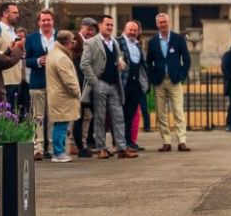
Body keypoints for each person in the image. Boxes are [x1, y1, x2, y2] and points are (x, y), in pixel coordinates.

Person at [81, 14, 136, 159]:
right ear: (100, 25)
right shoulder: (91, 43)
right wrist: (94, 82)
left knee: (118, 117)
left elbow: (118, 58)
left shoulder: (114, 43)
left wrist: (121, 63)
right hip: (100, 83)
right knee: (99, 117)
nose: (110, 27)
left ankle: (121, 148)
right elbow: (84, 64)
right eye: (107, 25)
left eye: (112, 25)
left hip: (114, 85)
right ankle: (101, 148)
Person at [146, 12, 191, 152]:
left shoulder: (178, 39)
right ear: (157, 24)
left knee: (178, 111)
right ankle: (166, 141)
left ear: (169, 22)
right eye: (160, 22)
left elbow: (187, 60)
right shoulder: (152, 42)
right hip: (159, 82)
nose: (162, 24)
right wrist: (152, 78)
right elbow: (148, 62)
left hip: (174, 81)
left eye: (164, 22)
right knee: (161, 113)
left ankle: (181, 141)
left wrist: (181, 76)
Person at [44, 31, 82, 163]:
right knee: (61, 125)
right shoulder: (61, 57)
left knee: (60, 124)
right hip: (63, 97)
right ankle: (58, 152)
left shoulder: (54, 54)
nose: (74, 43)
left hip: (58, 95)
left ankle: (58, 151)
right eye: (72, 41)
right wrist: (77, 92)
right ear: (67, 42)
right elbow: (69, 80)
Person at [25, 9, 58, 160]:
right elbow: (27, 60)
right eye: (43, 20)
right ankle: (37, 148)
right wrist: (39, 61)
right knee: (37, 117)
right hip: (37, 82)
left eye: (48, 20)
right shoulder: (31, 38)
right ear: (39, 22)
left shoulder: (59, 37)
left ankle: (51, 147)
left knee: (53, 117)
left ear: (53, 21)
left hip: (56, 85)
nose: (46, 23)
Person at [119, 20, 149, 151]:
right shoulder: (118, 42)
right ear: (125, 30)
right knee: (121, 115)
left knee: (131, 114)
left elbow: (142, 65)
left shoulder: (138, 45)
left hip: (136, 85)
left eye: (135, 30)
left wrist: (144, 84)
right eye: (130, 29)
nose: (132, 32)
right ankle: (121, 143)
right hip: (123, 84)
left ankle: (130, 141)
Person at [72, 17, 97, 157]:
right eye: (88, 29)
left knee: (89, 115)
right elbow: (76, 60)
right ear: (82, 27)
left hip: (88, 83)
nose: (90, 32)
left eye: (92, 29)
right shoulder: (76, 40)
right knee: (79, 117)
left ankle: (87, 142)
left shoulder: (91, 42)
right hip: (79, 83)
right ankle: (80, 146)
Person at [0, 2, 24, 111]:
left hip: (17, 79)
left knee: (14, 114)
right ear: (5, 13)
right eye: (14, 13)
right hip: (5, 80)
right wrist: (11, 51)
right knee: (5, 115)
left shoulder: (13, 32)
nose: (18, 15)